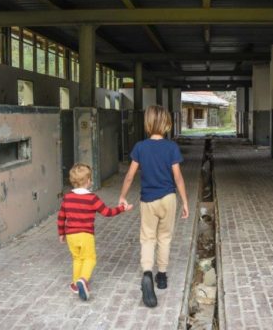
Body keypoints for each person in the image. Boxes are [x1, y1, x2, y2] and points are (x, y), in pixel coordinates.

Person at [118, 105, 189, 308]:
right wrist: (185, 202)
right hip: (168, 198)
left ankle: (147, 273)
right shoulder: (171, 147)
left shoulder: (140, 147)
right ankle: (163, 276)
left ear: (147, 123)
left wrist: (122, 196)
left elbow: (130, 175)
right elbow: (178, 177)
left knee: (147, 238)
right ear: (167, 123)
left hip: (148, 199)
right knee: (165, 238)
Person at [58, 163, 133, 301]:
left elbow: (61, 216)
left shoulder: (67, 197)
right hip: (85, 234)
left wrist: (61, 233)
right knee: (90, 258)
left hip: (71, 235)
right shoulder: (92, 198)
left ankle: (75, 284)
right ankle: (83, 279)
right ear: (88, 181)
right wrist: (122, 209)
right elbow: (107, 212)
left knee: (77, 258)